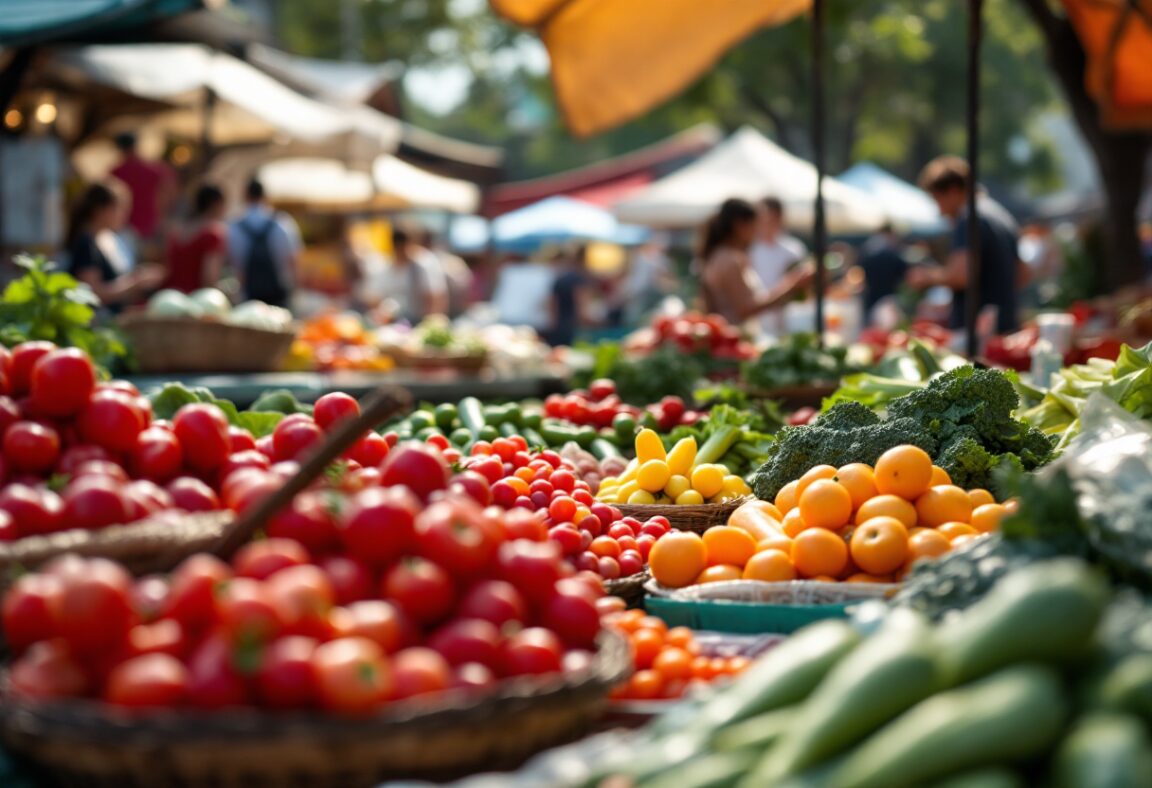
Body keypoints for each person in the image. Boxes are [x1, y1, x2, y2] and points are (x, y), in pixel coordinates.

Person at [909, 156, 1022, 334]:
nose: (940, 210)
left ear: (953, 191)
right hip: (1005, 324)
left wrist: (926, 277)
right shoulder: (1000, 215)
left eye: (937, 199)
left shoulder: (968, 218)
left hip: (977, 333)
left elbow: (962, 275)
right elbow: (1023, 273)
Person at [697, 198, 812, 327]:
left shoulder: (721, 255)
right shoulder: (729, 259)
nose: (756, 232)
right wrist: (791, 286)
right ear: (740, 226)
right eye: (754, 225)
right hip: (734, 334)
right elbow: (745, 309)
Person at [64, 182, 165, 309]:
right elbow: (92, 294)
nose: (124, 215)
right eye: (119, 209)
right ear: (100, 210)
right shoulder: (86, 244)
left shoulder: (106, 239)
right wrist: (135, 284)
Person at [229, 179, 301, 308]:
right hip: (280, 296)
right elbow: (293, 261)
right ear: (266, 196)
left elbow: (232, 265)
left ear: (245, 196)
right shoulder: (283, 223)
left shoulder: (234, 227)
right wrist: (295, 294)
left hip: (248, 300)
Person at [749, 197, 808, 335]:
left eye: (771, 218)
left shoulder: (794, 249)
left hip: (789, 319)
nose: (767, 223)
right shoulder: (749, 249)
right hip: (758, 319)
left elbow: (803, 291)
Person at [109, 132, 176, 252]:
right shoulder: (155, 170)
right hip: (150, 226)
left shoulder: (116, 172)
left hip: (125, 228)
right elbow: (168, 195)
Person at [163, 184, 228, 293]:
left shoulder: (176, 232)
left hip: (172, 297)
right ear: (216, 204)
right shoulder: (213, 233)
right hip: (197, 301)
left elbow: (168, 268)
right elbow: (209, 278)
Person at [377, 225, 448, 324]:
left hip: (420, 319)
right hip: (396, 322)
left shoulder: (424, 263)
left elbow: (436, 296)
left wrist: (430, 321)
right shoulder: (388, 267)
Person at [545, 245, 597, 346]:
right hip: (573, 329)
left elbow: (551, 305)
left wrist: (553, 325)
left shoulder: (560, 278)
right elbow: (582, 309)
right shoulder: (580, 279)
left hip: (559, 327)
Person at [618, 234, 676, 325]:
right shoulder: (639, 258)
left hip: (650, 297)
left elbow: (667, 280)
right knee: (633, 319)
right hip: (636, 296)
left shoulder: (661, 261)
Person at [857, 223, 909, 323]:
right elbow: (904, 274)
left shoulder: (868, 249)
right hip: (888, 296)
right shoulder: (892, 252)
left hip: (872, 297)